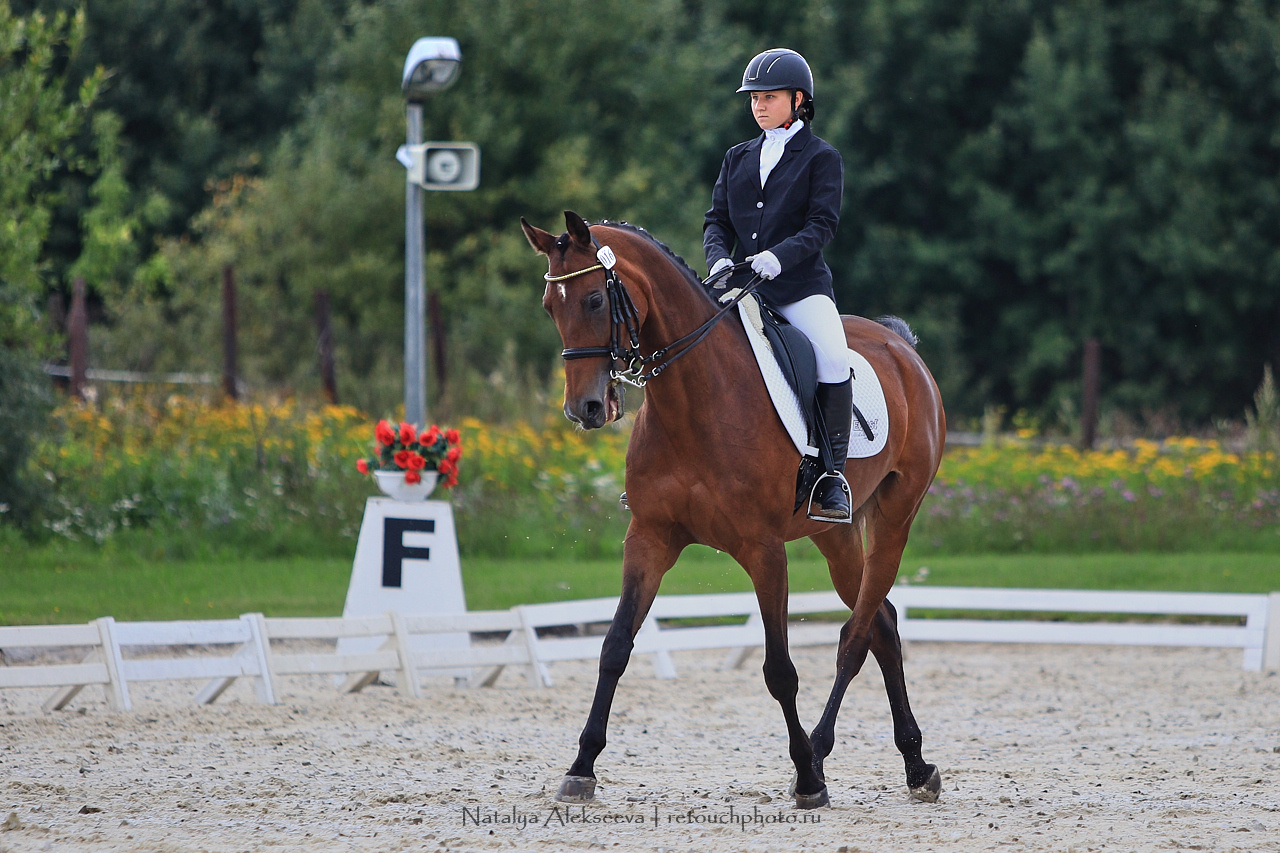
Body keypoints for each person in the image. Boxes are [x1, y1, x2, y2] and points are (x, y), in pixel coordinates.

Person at [703, 47, 853, 521]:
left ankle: (831, 477)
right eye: (754, 98)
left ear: (798, 99)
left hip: (799, 289)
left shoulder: (822, 158)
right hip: (739, 285)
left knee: (832, 357)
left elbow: (822, 225)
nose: (759, 105)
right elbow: (716, 221)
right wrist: (718, 259)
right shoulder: (737, 156)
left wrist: (778, 257)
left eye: (769, 97)